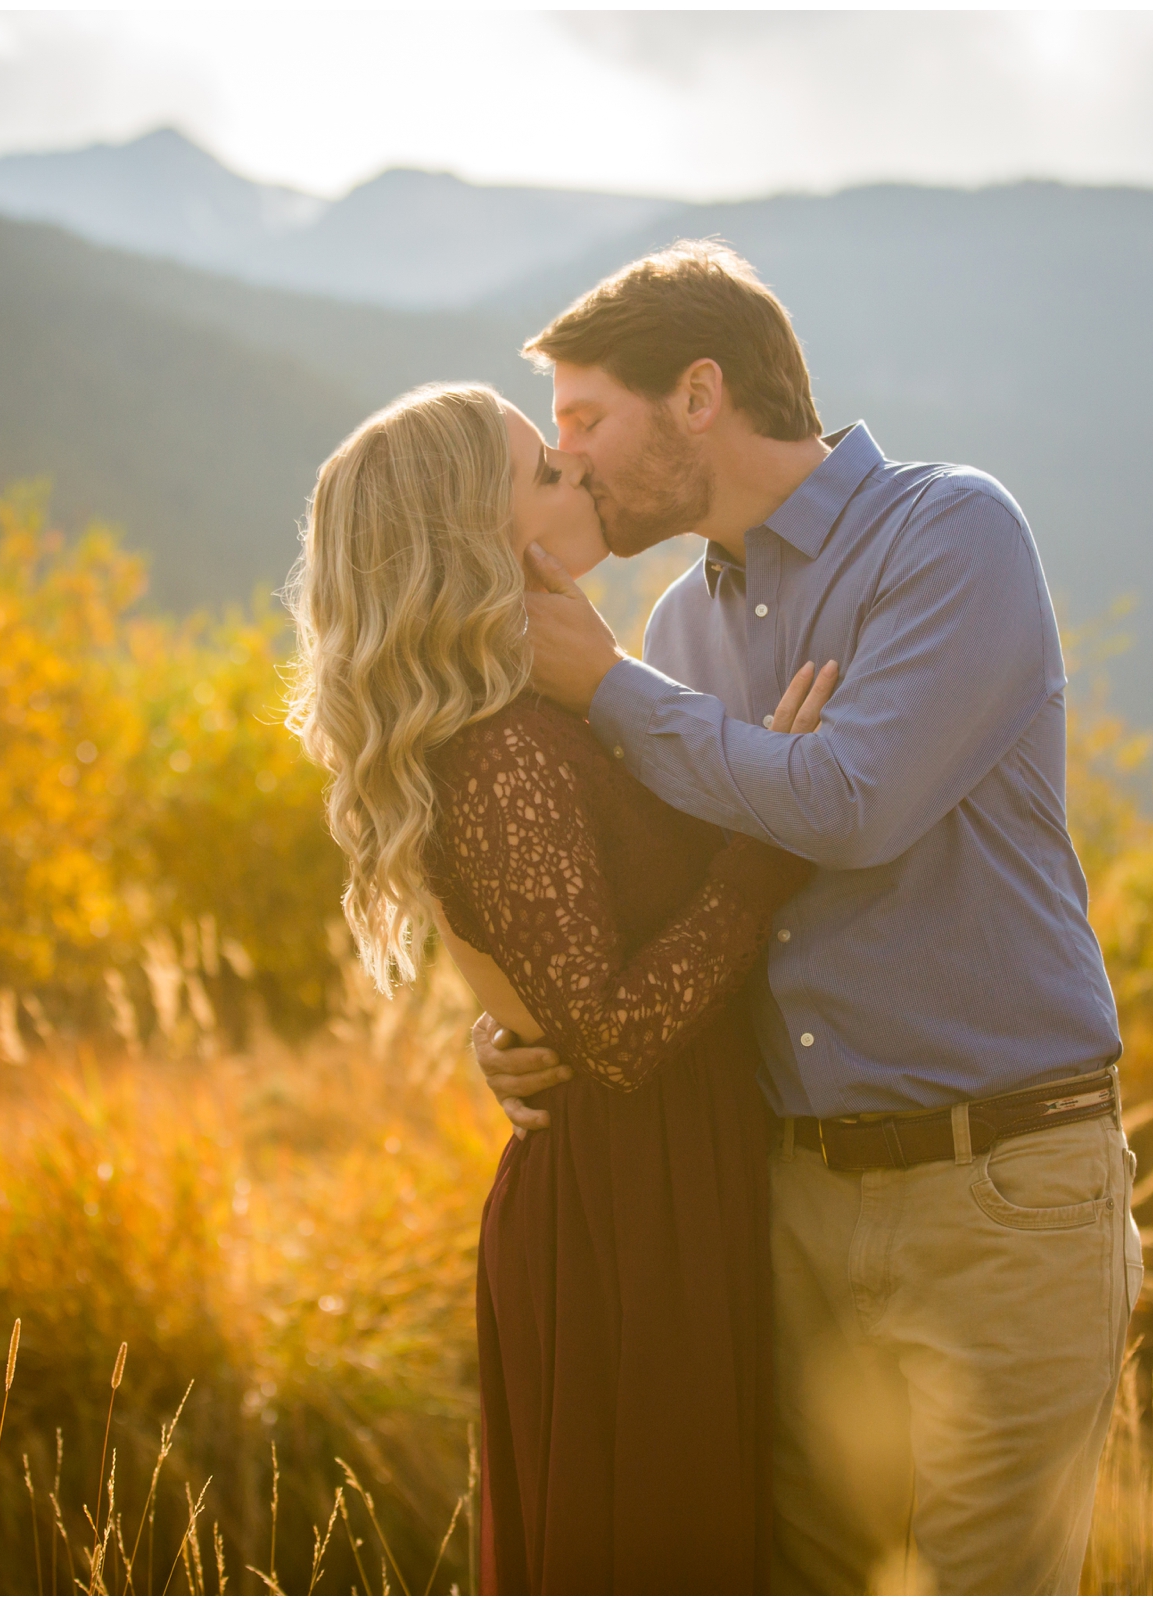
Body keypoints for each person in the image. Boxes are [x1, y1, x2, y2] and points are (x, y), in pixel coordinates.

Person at [475, 241, 1145, 1594]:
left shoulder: (950, 533)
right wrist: (519, 1020)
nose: (579, 465)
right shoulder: (677, 628)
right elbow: (664, 909)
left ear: (700, 395)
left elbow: (849, 803)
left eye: (589, 423)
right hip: (783, 1203)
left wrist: (609, 690)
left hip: (1003, 1191)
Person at [282, 382, 837, 1592]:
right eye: (543, 467)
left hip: (673, 1181)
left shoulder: (551, 708)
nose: (577, 473)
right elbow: (615, 1036)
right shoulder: (502, 753)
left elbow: (573, 974)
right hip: (628, 1215)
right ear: (475, 535)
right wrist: (775, 845)